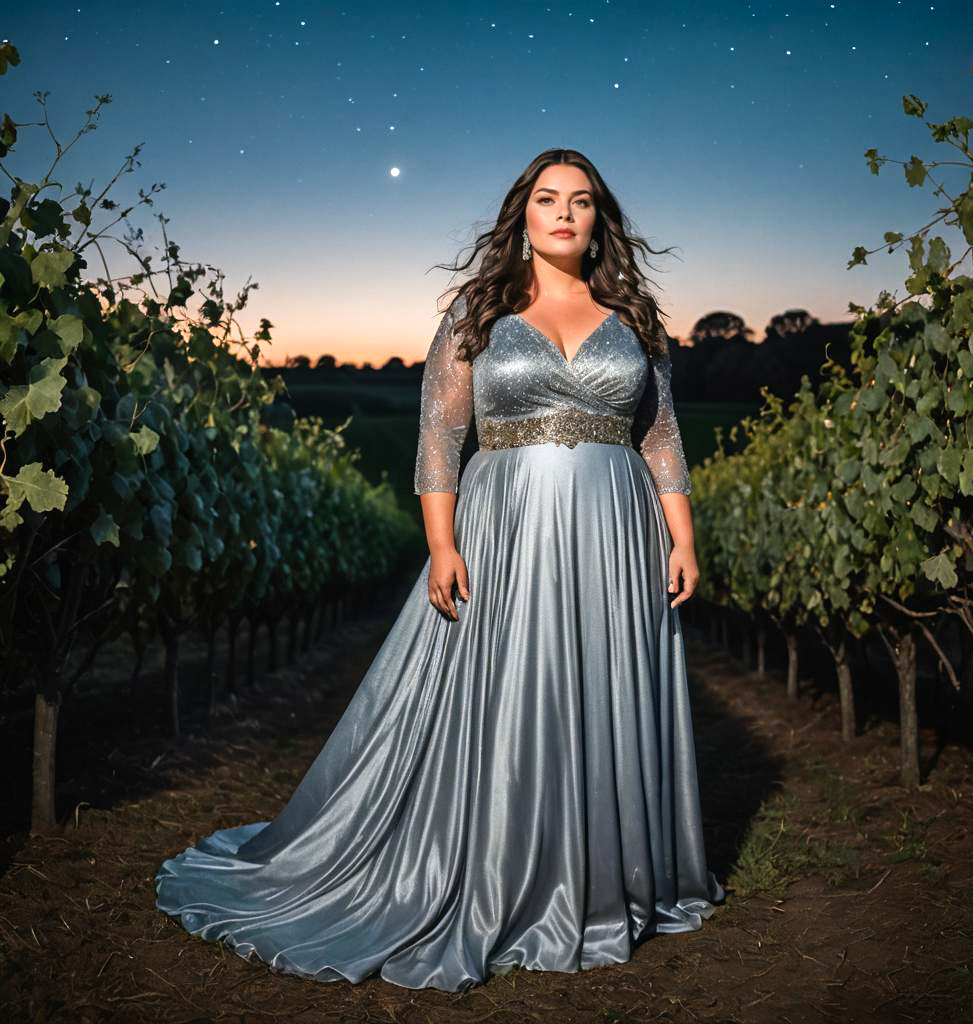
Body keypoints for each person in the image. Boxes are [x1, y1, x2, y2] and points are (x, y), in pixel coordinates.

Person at [154, 148, 725, 993]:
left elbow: (661, 437)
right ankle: (498, 876)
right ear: (522, 216)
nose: (564, 213)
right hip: (505, 525)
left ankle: (606, 882)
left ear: (599, 220)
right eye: (547, 199)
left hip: (616, 529)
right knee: (511, 691)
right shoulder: (478, 310)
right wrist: (444, 544)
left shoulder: (634, 318)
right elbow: (437, 437)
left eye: (581, 201)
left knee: (603, 690)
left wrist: (681, 537)